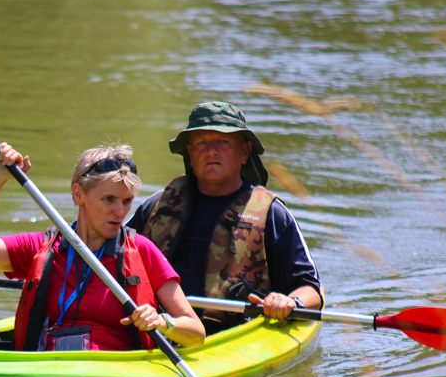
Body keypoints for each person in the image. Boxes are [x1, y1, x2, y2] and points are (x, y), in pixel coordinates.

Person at [0, 142, 205, 351]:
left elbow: (196, 332)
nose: (119, 211)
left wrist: (163, 322)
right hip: (48, 372)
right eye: (109, 199)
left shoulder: (143, 250)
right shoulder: (40, 247)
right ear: (79, 194)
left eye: (126, 201)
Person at [127, 101, 322, 333]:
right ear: (189, 153)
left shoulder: (272, 214)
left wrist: (290, 302)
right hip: (161, 328)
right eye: (201, 142)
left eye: (224, 142)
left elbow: (311, 290)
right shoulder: (156, 206)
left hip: (235, 335)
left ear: (244, 152)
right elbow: (114, 260)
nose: (211, 150)